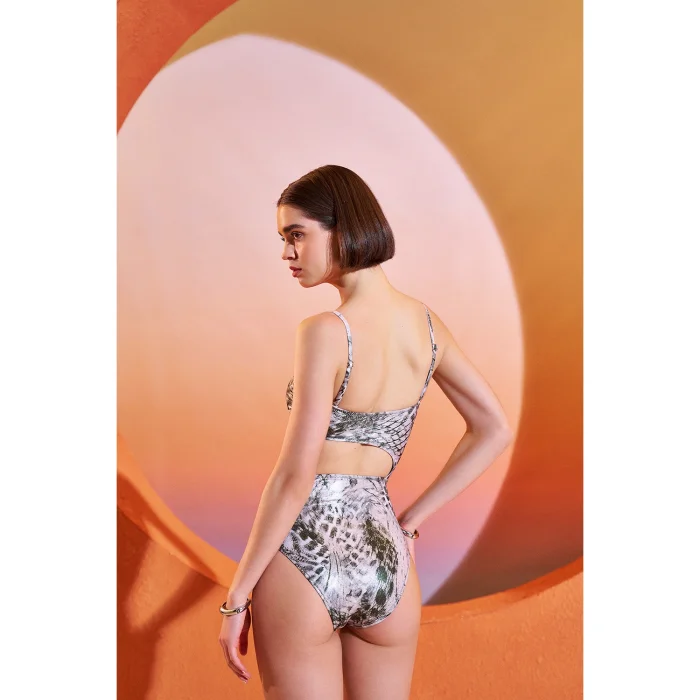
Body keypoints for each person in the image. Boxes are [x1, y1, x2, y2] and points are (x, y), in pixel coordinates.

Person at [218, 164, 513, 699]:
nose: (286, 253)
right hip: (385, 559)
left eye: (296, 235)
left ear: (343, 227)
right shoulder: (426, 325)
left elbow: (294, 477)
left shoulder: (325, 332)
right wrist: (412, 520)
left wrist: (236, 597)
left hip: (305, 553)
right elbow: (494, 427)